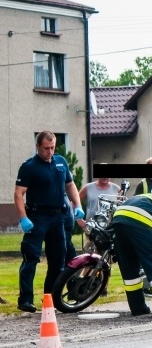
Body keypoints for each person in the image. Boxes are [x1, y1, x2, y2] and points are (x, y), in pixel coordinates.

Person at [14, 131, 85, 313]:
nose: (50, 151)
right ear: (38, 146)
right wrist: (23, 217)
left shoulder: (61, 162)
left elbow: (70, 185)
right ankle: (25, 299)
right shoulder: (29, 167)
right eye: (46, 148)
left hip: (57, 217)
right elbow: (18, 193)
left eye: (52, 147)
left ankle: (50, 298)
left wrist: (77, 204)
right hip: (37, 217)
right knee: (31, 258)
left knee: (58, 260)